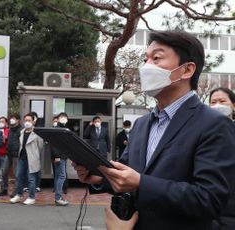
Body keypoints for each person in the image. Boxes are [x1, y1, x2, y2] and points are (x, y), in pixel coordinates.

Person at [73, 30, 235, 230]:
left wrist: (141, 183)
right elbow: (127, 170)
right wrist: (98, 177)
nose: (146, 66)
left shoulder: (214, 124)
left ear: (187, 70)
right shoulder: (142, 124)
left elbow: (209, 199)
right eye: (145, 59)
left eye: (156, 58)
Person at [209, 87, 235, 230]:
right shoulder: (203, 133)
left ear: (233, 105)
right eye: (213, 102)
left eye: (222, 101)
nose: (217, 105)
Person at [10, 113, 44, 205]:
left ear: (33, 121)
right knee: (18, 176)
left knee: (31, 179)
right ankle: (19, 195)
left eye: (29, 120)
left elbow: (40, 146)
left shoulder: (37, 132)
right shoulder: (22, 131)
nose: (27, 122)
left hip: (32, 159)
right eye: (26, 120)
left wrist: (34, 154)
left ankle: (31, 197)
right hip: (22, 157)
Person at [51, 113, 70, 206]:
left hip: (63, 156)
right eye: (61, 117)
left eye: (65, 118)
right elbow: (54, 144)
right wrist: (57, 156)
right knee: (62, 176)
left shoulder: (64, 129)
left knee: (59, 176)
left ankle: (58, 197)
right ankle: (58, 198)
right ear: (58, 119)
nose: (63, 119)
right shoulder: (57, 129)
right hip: (59, 157)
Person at [2, 114, 22, 197]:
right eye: (11, 118)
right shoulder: (10, 129)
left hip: (16, 154)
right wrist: (5, 138)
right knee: (4, 171)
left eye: (13, 118)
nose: (11, 120)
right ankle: (4, 189)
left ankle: (16, 191)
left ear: (18, 120)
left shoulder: (21, 130)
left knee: (16, 174)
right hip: (8, 153)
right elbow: (10, 139)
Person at [0, 116, 9, 196]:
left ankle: (4, 188)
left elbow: (8, 142)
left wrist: (5, 138)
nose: (1, 123)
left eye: (3, 121)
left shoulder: (8, 131)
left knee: (3, 173)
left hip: (4, 154)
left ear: (6, 123)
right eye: (0, 121)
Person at [30, 111, 41, 192]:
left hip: (36, 151)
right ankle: (27, 185)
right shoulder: (26, 129)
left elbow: (40, 144)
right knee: (28, 169)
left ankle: (37, 185)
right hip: (28, 152)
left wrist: (37, 151)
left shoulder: (38, 128)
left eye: (35, 118)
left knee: (37, 169)